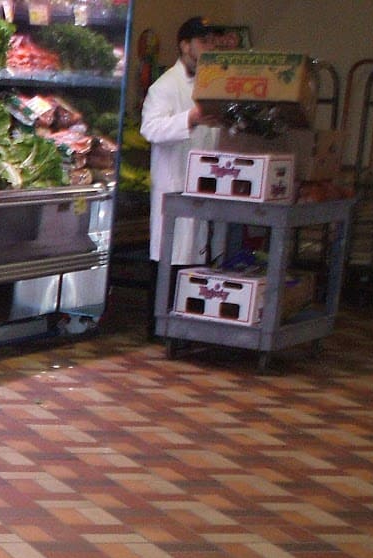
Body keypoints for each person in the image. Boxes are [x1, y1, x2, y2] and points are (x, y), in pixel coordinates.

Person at [141, 16, 223, 331]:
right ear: (185, 45)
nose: (210, 47)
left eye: (213, 42)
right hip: (173, 183)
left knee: (196, 257)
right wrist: (191, 118)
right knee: (171, 255)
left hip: (204, 185)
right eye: (204, 42)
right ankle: (160, 328)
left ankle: (188, 328)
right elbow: (150, 129)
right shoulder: (165, 86)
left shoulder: (212, 86)